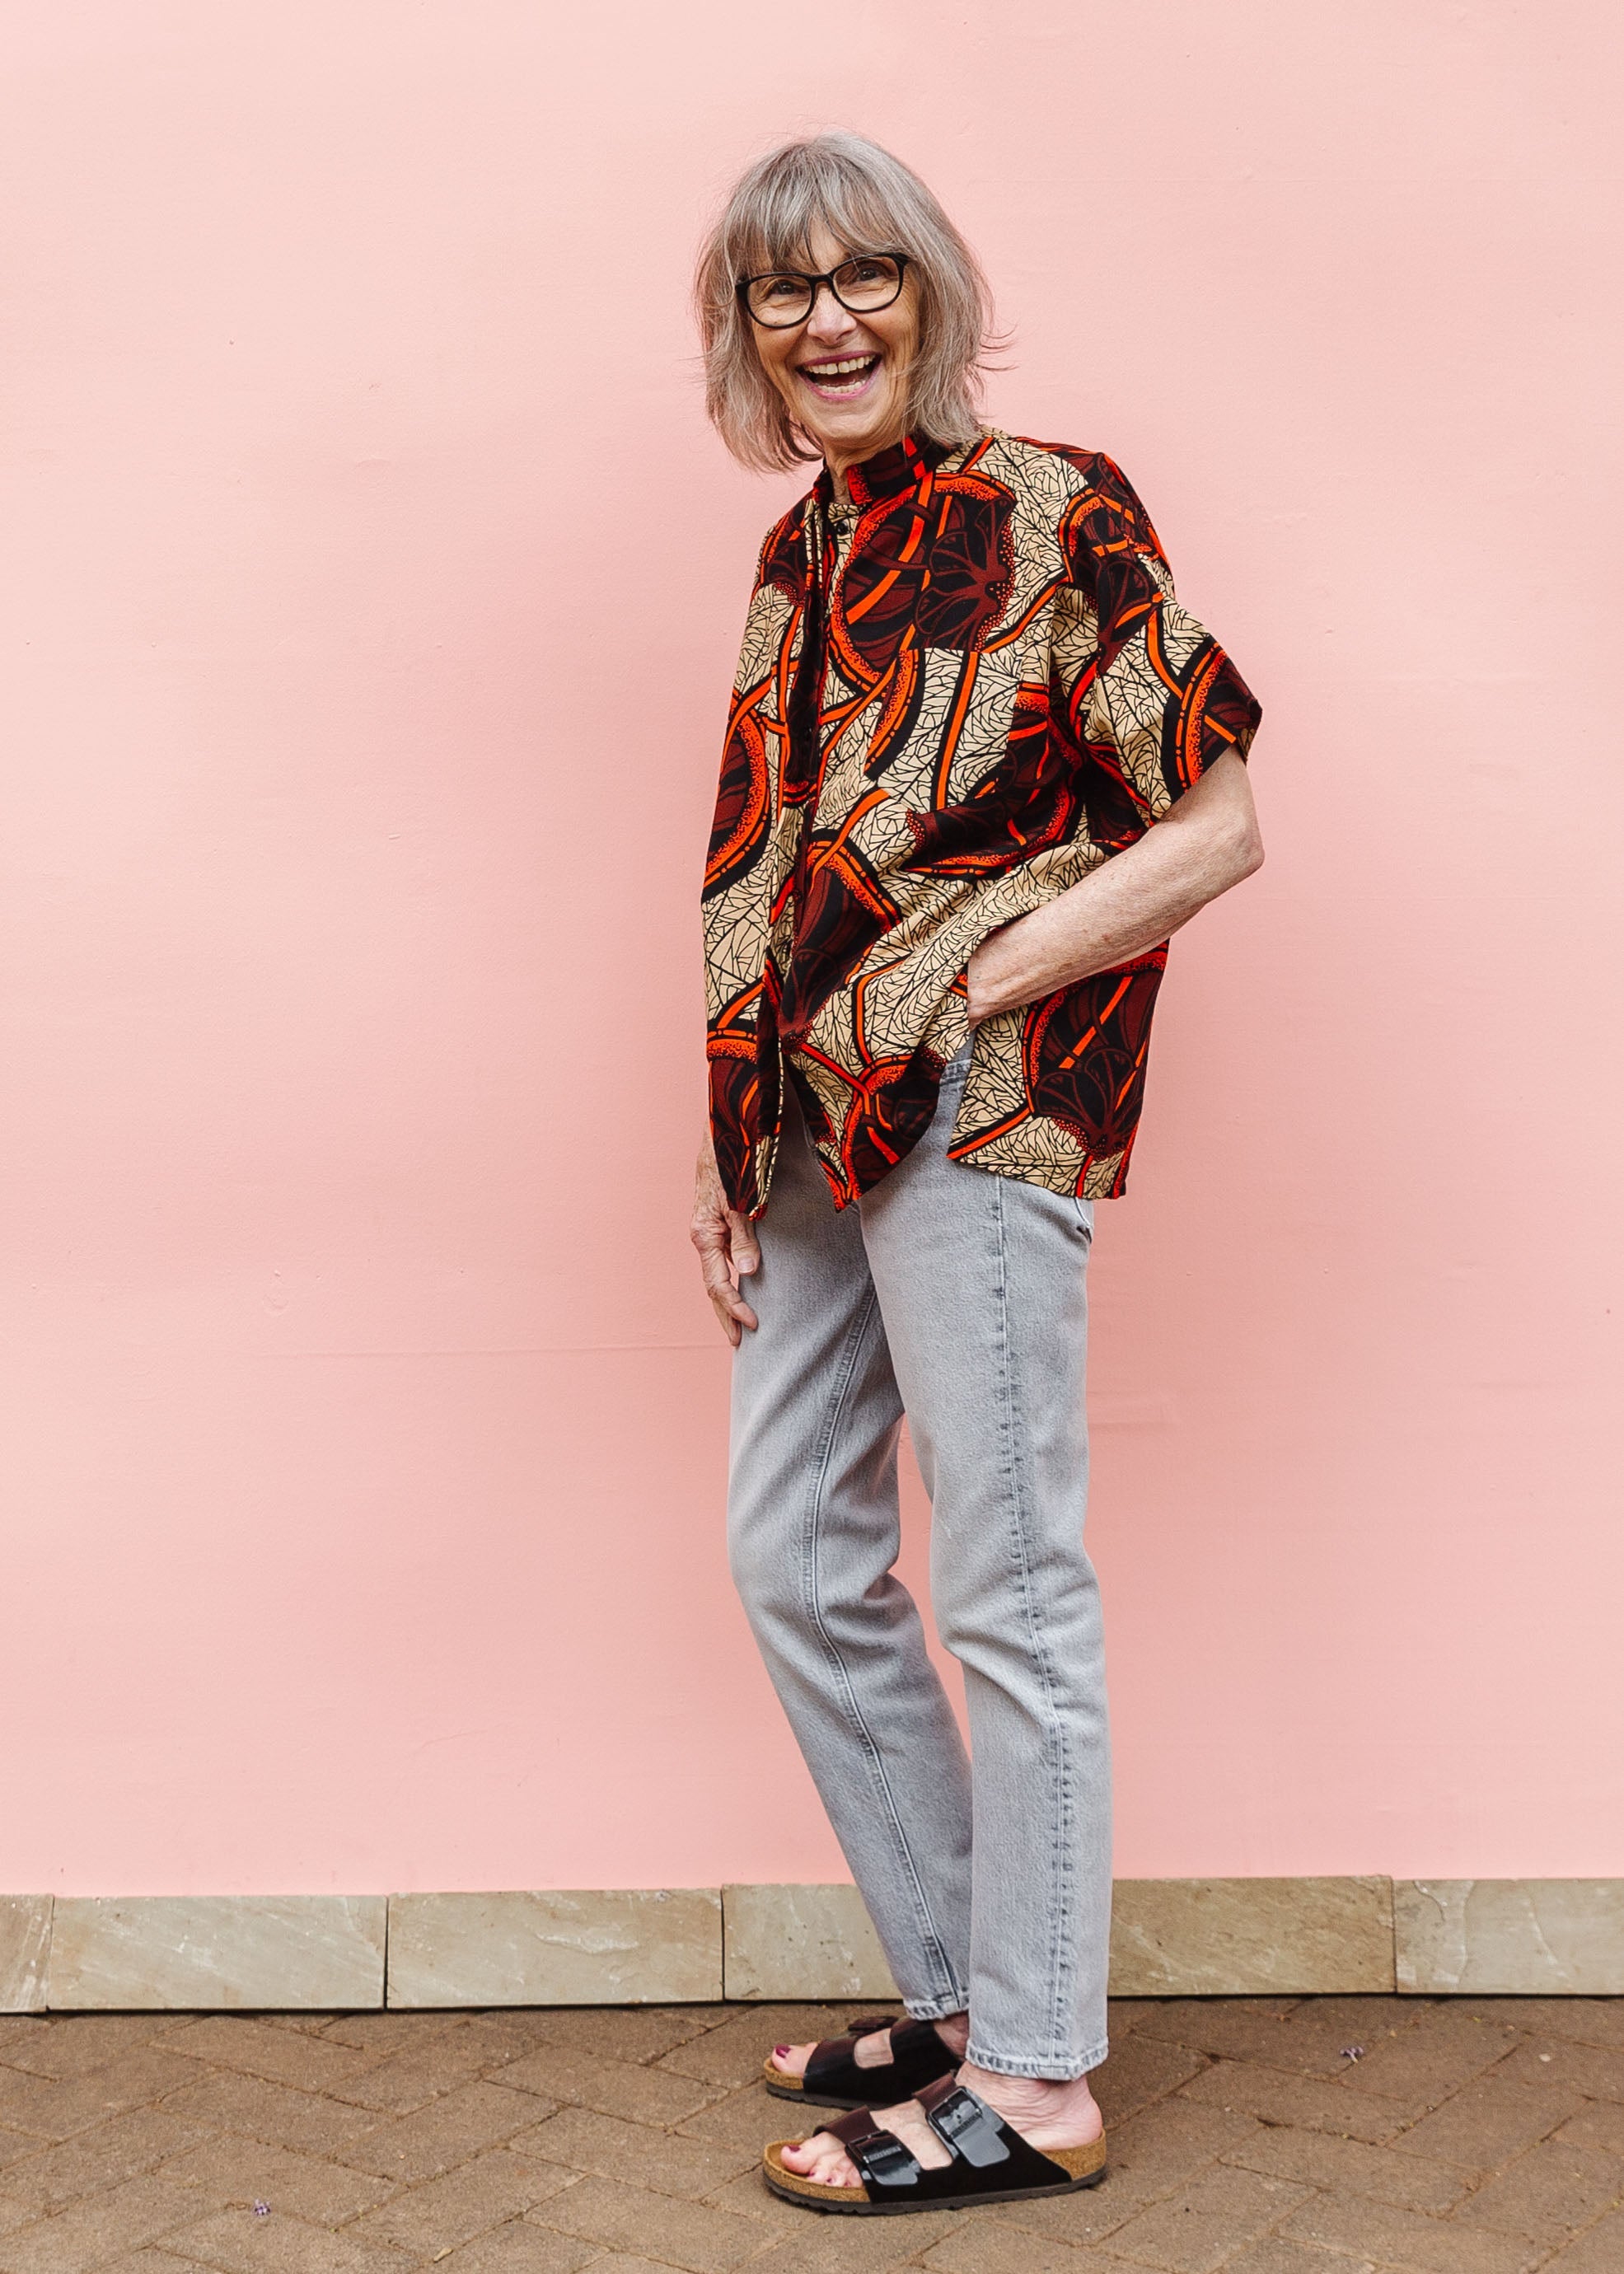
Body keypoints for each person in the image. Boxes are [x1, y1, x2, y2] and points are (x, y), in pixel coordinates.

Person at [690, 130, 1263, 2217]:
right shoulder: (796, 554)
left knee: (1011, 1584)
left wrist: (971, 986)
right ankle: (959, 1987)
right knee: (791, 1553)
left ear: (927, 296)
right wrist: (727, 1123)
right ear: (745, 332)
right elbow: (768, 872)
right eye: (782, 292)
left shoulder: (1049, 508)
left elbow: (1216, 823)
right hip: (812, 1129)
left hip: (975, 1111)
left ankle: (1031, 2081)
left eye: (865, 279)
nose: (826, 320)